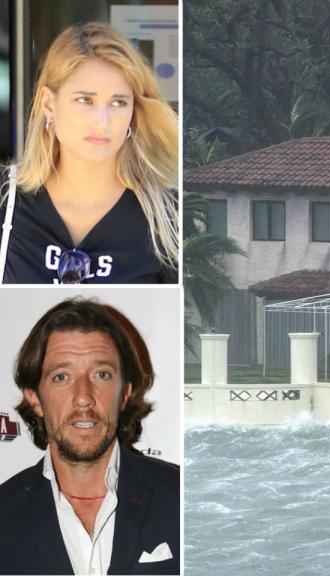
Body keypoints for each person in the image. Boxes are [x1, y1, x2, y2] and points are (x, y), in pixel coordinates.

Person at [0, 298, 179, 575]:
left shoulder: (181, 498)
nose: (83, 397)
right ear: (34, 397)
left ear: (125, 393)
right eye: (62, 377)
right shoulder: (4, 513)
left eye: (101, 374)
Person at [0, 22, 178, 284]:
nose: (101, 121)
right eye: (85, 100)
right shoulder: (7, 200)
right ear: (49, 104)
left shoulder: (167, 218)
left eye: (118, 102)